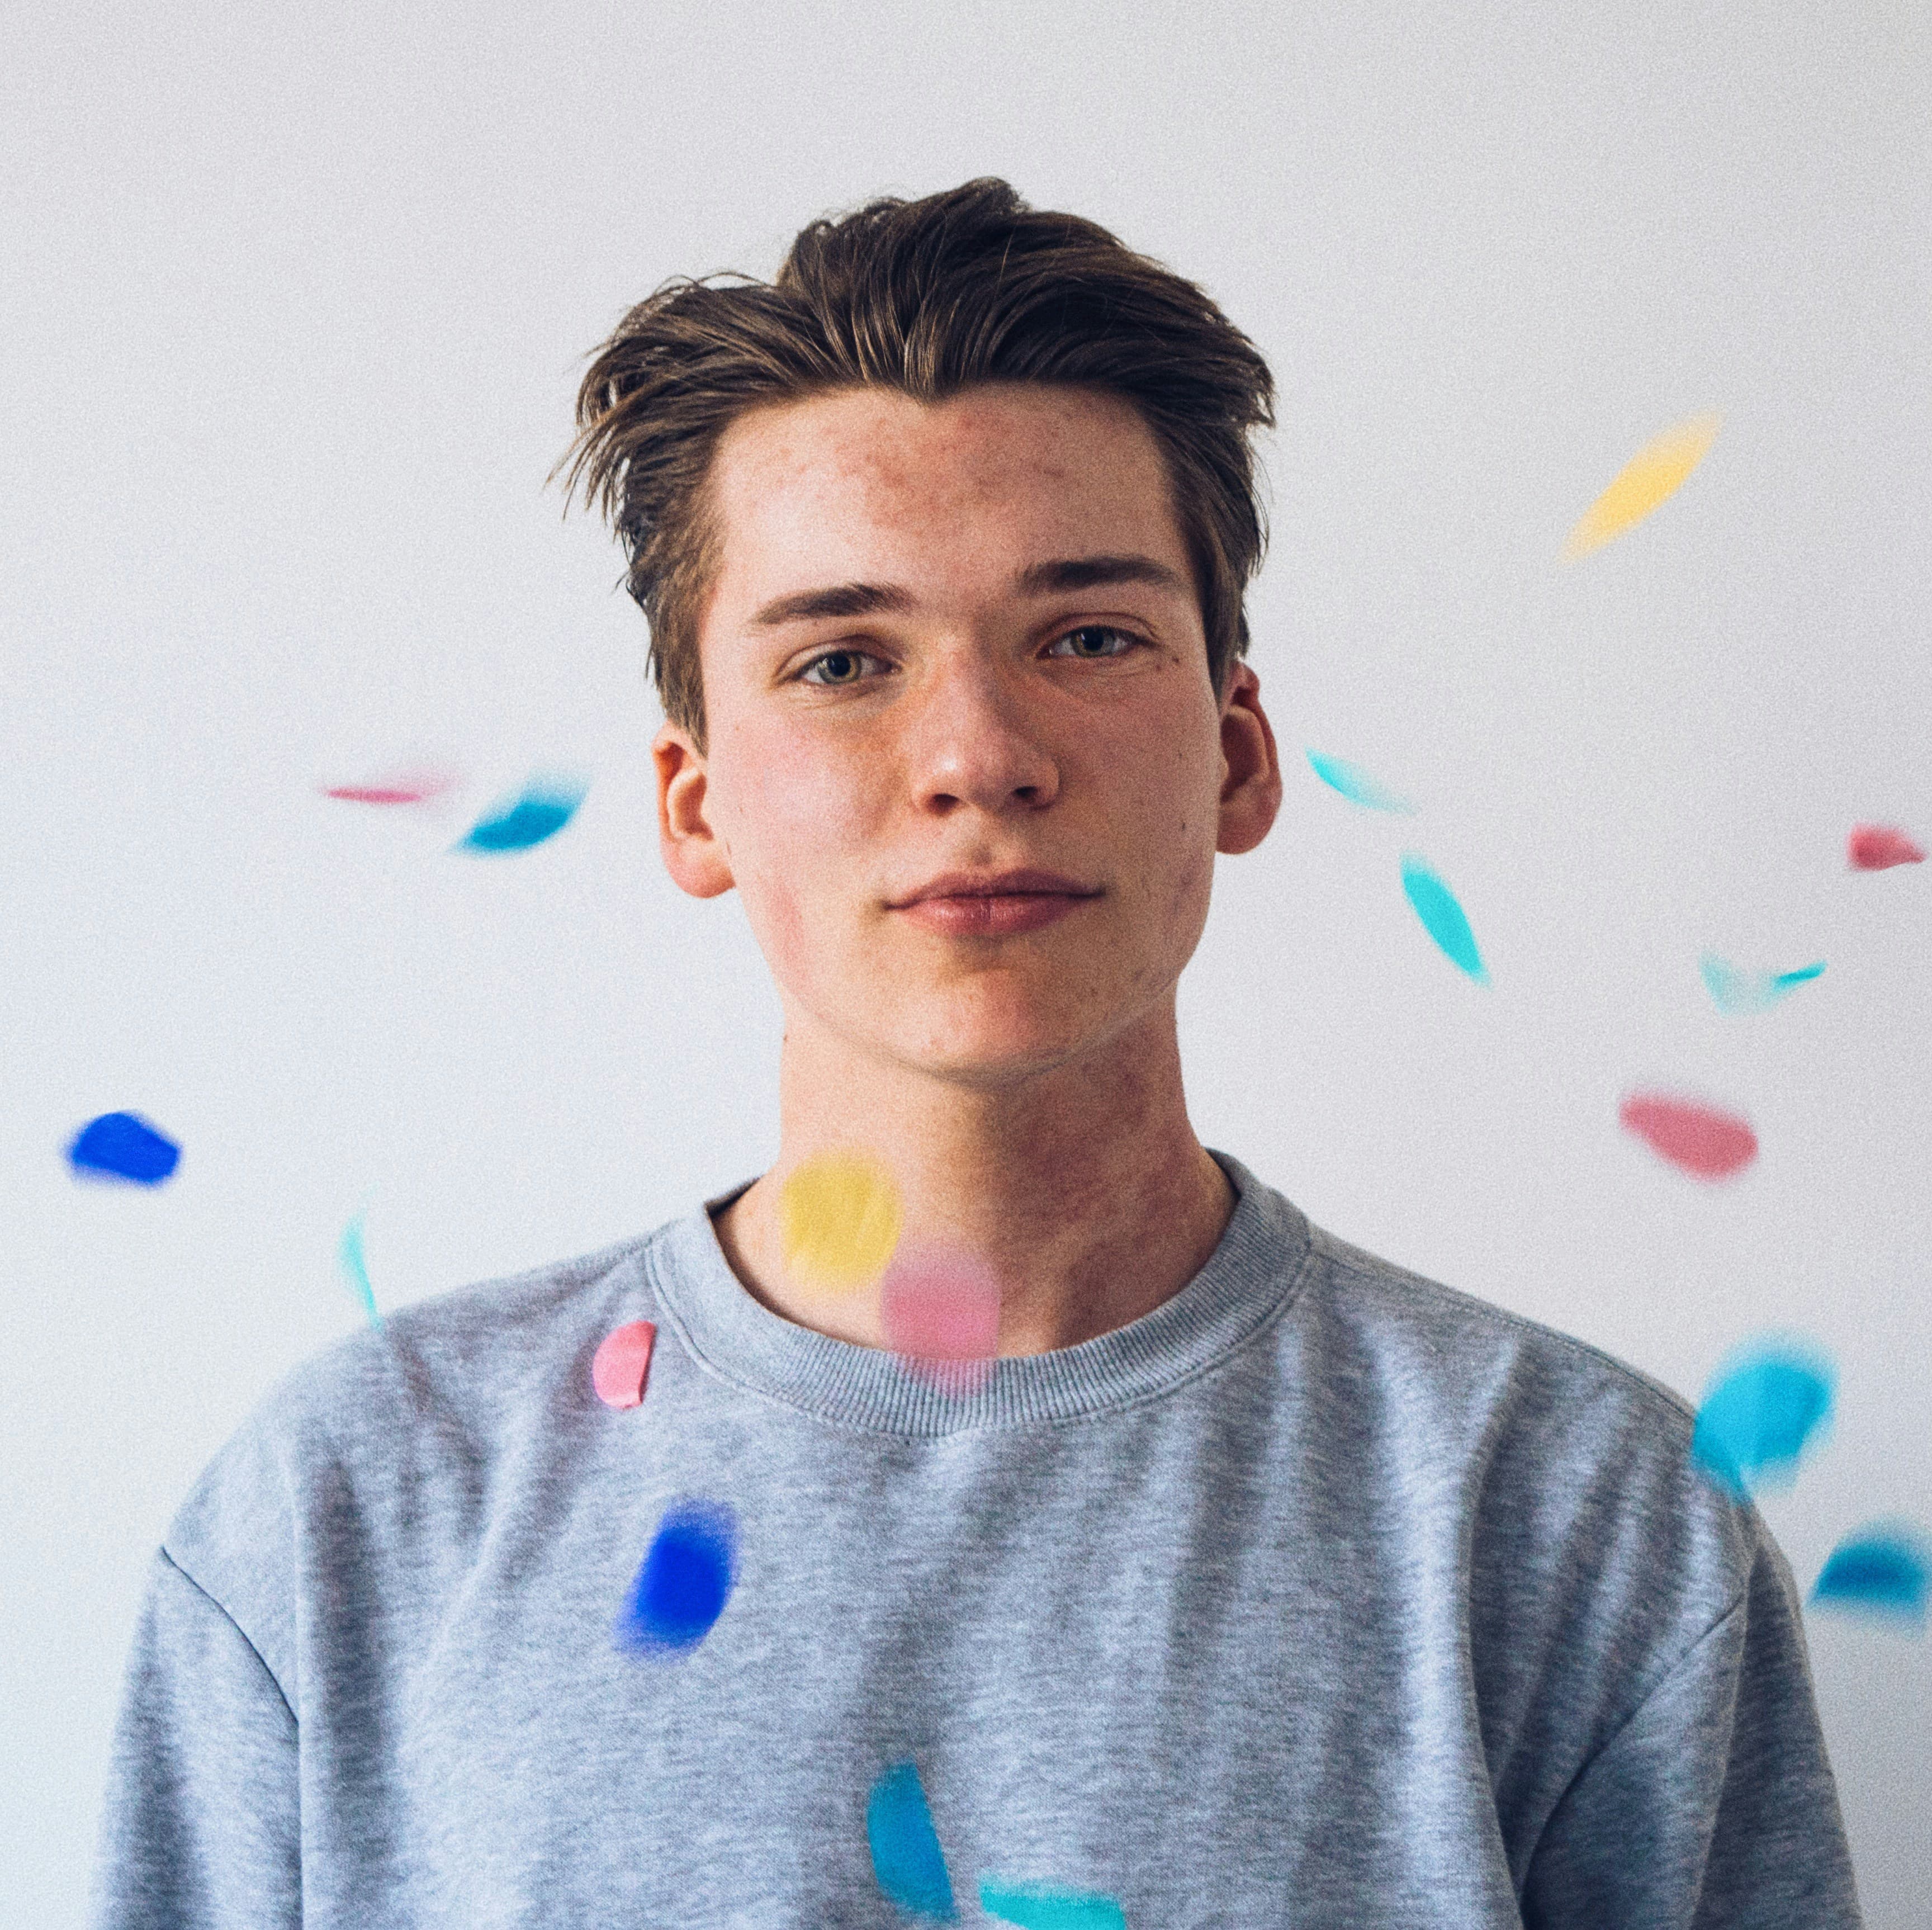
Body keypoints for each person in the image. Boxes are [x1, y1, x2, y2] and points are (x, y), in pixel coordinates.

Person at [91, 179, 1860, 1928]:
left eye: (1087, 638)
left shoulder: (1576, 1517)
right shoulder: (350, 1509)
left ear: (1239, 755)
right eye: (846, 658)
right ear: (695, 802)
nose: (980, 755)